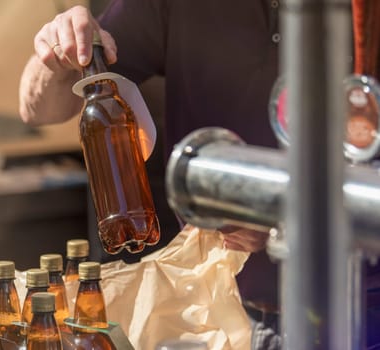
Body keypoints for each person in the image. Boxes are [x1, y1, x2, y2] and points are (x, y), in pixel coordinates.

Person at [19, 1, 280, 348]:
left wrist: (285, 218)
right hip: (222, 308)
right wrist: (57, 55)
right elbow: (37, 109)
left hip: (353, 297)